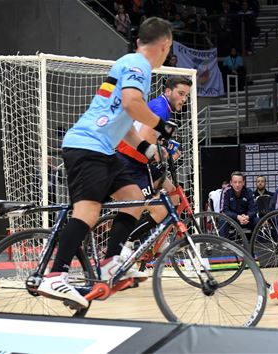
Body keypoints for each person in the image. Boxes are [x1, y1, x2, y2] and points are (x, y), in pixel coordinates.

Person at [36, 17, 175, 309]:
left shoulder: (127, 63)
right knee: (88, 210)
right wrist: (162, 127)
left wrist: (147, 148)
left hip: (101, 149)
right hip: (87, 147)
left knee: (134, 198)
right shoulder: (139, 66)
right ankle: (55, 274)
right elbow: (132, 105)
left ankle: (111, 262)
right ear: (165, 45)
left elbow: (122, 121)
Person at [116, 75, 192, 244]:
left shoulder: (161, 106)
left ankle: (158, 242)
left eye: (186, 95)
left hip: (140, 161)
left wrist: (166, 144)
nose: (184, 99)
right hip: (129, 161)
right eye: (181, 93)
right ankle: (126, 246)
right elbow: (145, 136)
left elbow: (151, 135)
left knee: (174, 197)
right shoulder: (161, 108)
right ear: (167, 91)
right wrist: (162, 151)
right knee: (160, 211)